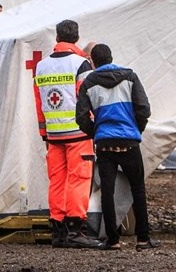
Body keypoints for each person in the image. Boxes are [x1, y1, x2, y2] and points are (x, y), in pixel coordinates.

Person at [76, 44, 160, 251]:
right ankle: (143, 239)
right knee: (138, 189)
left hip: (105, 144)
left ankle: (112, 240)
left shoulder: (88, 83)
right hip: (129, 142)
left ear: (93, 62)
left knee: (107, 191)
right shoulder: (130, 77)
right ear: (111, 57)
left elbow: (81, 117)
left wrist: (97, 134)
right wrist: (135, 130)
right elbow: (143, 109)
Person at [33, 20, 99, 248]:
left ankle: (58, 231)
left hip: (53, 135)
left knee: (57, 181)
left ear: (57, 38)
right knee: (78, 180)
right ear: (77, 37)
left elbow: (39, 102)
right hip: (78, 133)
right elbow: (87, 99)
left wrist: (44, 133)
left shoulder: (41, 66)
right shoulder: (81, 64)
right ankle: (75, 230)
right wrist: (92, 128)